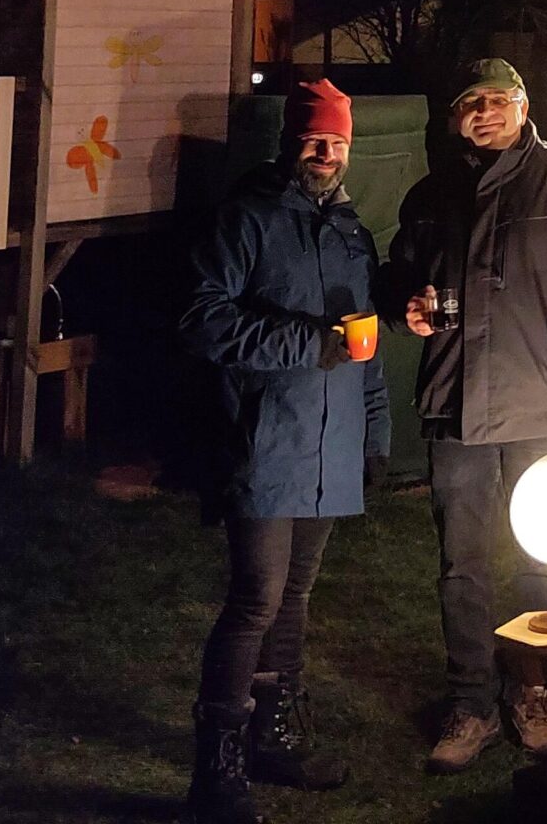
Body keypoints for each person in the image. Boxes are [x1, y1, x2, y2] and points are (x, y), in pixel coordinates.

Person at [381, 57, 547, 772]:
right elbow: (400, 274)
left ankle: (533, 694)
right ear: (454, 117)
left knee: (542, 560)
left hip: (544, 403)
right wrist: (403, 306)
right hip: (454, 404)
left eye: (497, 100)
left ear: (524, 108)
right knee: (461, 564)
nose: (483, 113)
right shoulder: (432, 195)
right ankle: (470, 703)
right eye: (470, 103)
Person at [177, 78, 389, 824]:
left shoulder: (350, 232)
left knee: (294, 598)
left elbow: (364, 347)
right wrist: (309, 344)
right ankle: (218, 772)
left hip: (331, 446)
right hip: (265, 440)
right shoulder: (246, 219)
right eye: (314, 139)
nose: (326, 153)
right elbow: (203, 320)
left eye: (337, 142)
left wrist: (375, 431)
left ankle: (274, 741)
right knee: (255, 599)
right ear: (289, 143)